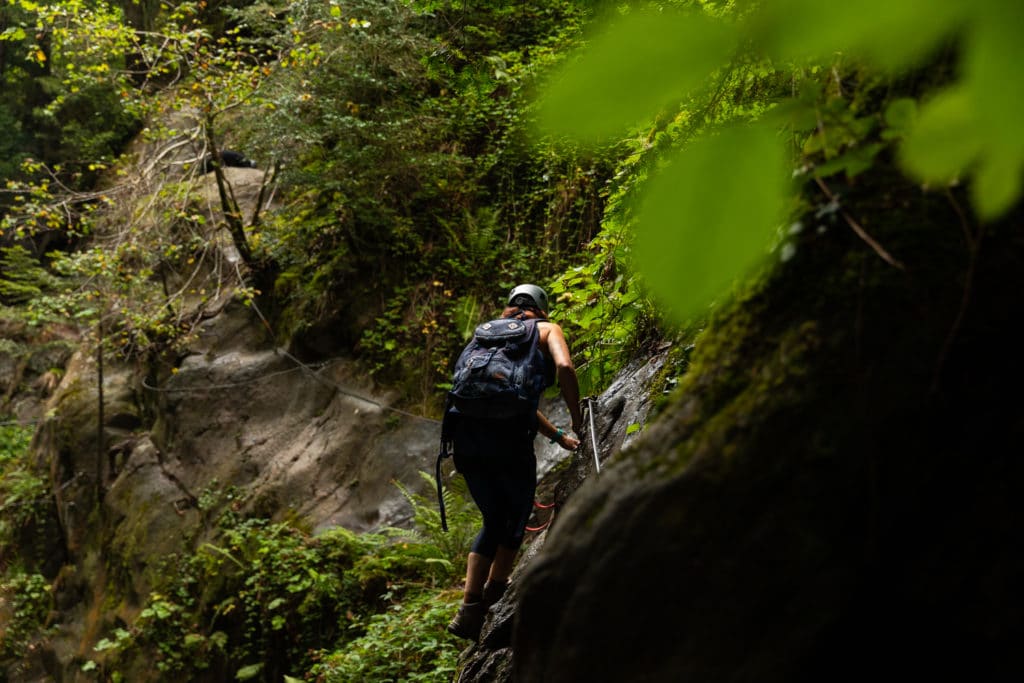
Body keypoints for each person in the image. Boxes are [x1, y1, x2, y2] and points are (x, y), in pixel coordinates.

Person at [446, 283, 584, 641]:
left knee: (493, 518)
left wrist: (556, 437)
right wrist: (577, 417)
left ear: (510, 307)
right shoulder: (546, 329)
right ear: (543, 308)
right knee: (516, 516)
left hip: (465, 439)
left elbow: (509, 400)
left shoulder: (484, 336)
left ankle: (469, 608)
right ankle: (495, 593)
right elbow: (565, 367)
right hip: (508, 443)